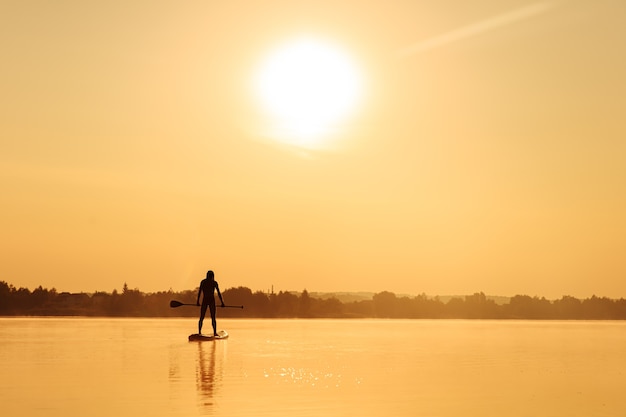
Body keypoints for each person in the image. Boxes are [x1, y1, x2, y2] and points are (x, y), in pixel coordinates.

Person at [196, 270, 225, 335]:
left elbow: (218, 293)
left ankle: (214, 332)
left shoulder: (212, 283)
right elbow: (200, 292)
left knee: (211, 317)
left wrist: (222, 302)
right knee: (203, 317)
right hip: (207, 300)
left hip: (210, 301)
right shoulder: (206, 282)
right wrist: (197, 301)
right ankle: (200, 332)